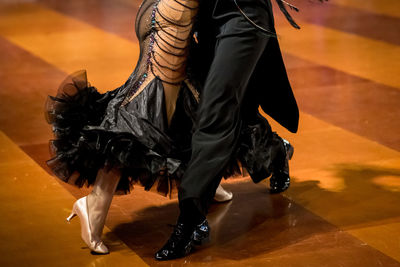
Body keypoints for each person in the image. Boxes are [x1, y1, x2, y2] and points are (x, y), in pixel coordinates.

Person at [45, 0, 233, 254]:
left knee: (189, 100)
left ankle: (204, 181)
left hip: (168, 10)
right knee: (144, 113)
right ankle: (94, 205)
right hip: (173, 13)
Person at [155, 0, 302, 260]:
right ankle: (275, 151)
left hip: (243, 13)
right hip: (201, 12)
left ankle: (189, 221)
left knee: (216, 110)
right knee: (229, 107)